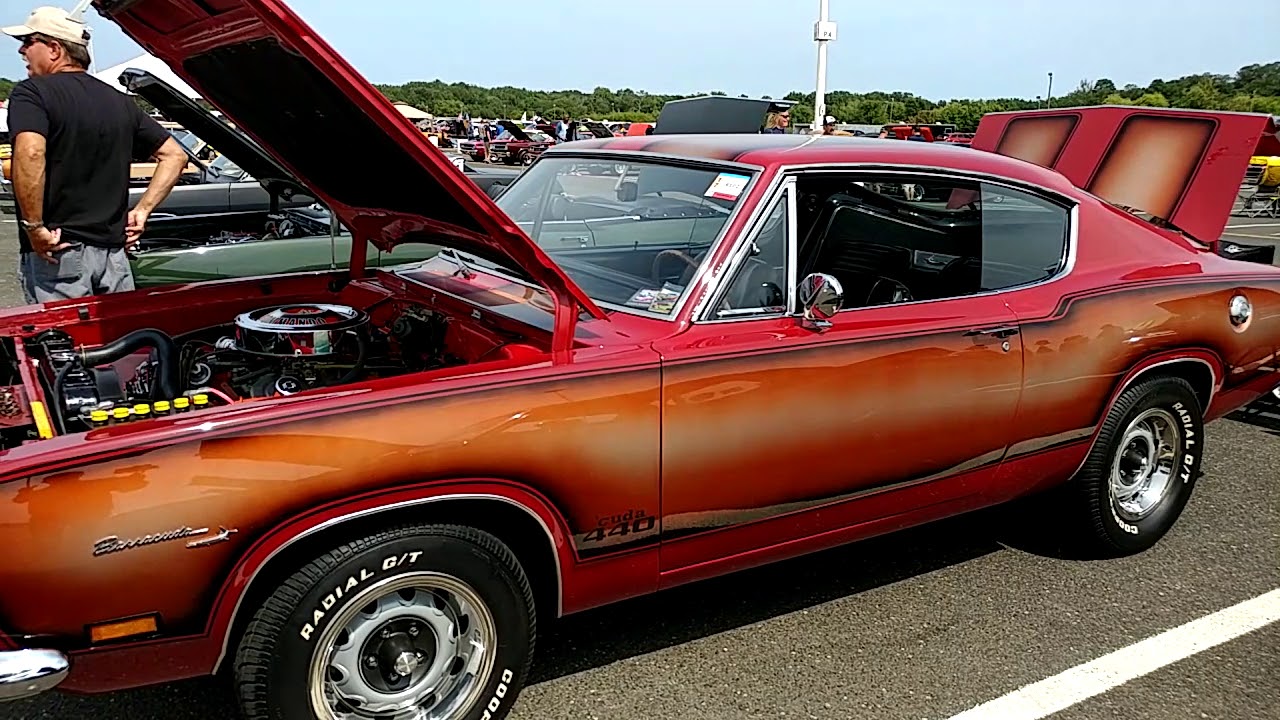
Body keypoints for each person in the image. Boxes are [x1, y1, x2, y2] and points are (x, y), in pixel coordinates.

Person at [4, 6, 187, 304]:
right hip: (114, 257)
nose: (22, 50)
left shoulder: (31, 93)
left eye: (28, 41)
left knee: (65, 346)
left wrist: (34, 227)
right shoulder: (121, 102)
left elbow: (31, 152)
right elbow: (174, 155)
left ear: (54, 48)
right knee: (122, 343)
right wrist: (142, 211)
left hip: (59, 252)